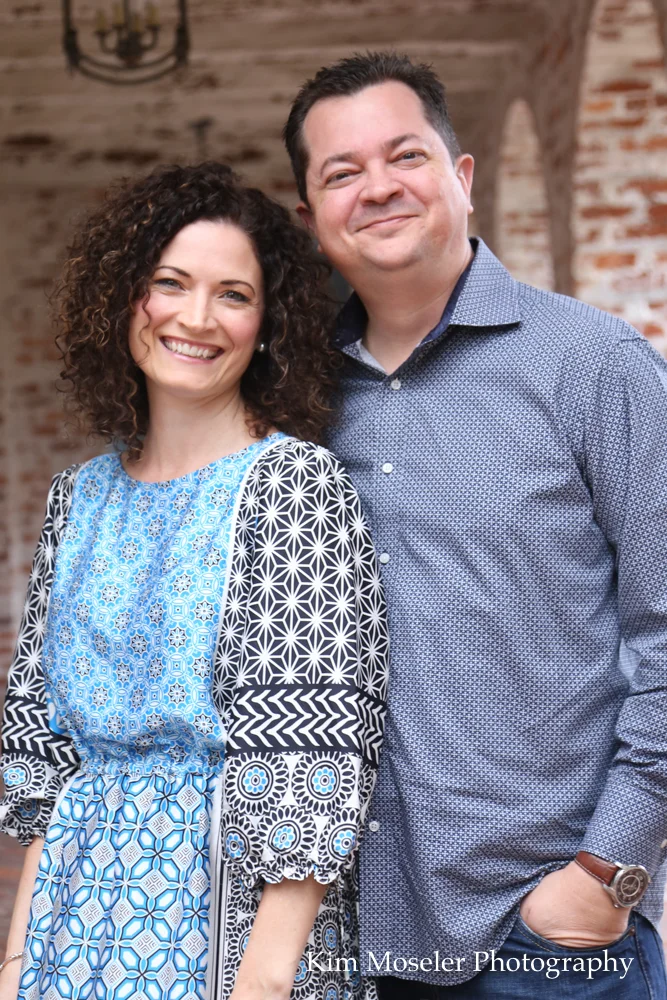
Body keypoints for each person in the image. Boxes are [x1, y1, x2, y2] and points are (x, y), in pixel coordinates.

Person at [282, 51, 667, 998]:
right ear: (310, 218)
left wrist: (605, 873)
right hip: (347, 938)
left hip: (546, 940)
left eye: (404, 155)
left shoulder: (593, 364)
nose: (377, 187)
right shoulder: (292, 403)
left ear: (460, 176)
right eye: (341, 172)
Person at [0, 162, 388, 1000]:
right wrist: (15, 964)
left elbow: (315, 759)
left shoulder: (292, 486)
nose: (197, 317)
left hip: (227, 928)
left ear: (267, 325)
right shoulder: (80, 497)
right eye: (169, 283)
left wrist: (264, 983)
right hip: (73, 921)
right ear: (123, 300)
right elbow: (50, 755)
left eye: (233, 295)